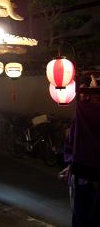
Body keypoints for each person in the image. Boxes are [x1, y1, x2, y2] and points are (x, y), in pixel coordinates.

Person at [60, 73, 100, 226]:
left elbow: (73, 144)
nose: (85, 98)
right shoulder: (82, 117)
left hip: (85, 174)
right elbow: (72, 144)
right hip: (82, 174)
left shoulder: (85, 115)